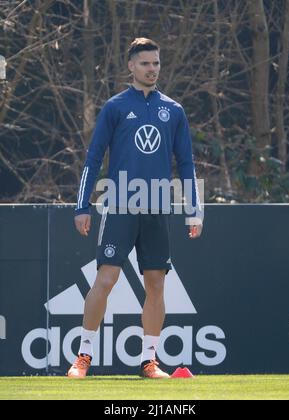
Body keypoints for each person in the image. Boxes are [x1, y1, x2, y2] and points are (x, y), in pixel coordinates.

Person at [68, 38, 203, 379]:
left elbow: (186, 163)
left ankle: (149, 361)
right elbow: (93, 158)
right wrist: (82, 205)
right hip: (120, 205)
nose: (152, 69)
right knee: (106, 279)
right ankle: (83, 357)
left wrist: (194, 209)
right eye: (145, 63)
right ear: (131, 66)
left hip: (157, 206)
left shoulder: (173, 110)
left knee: (156, 283)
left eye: (156, 63)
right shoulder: (115, 107)